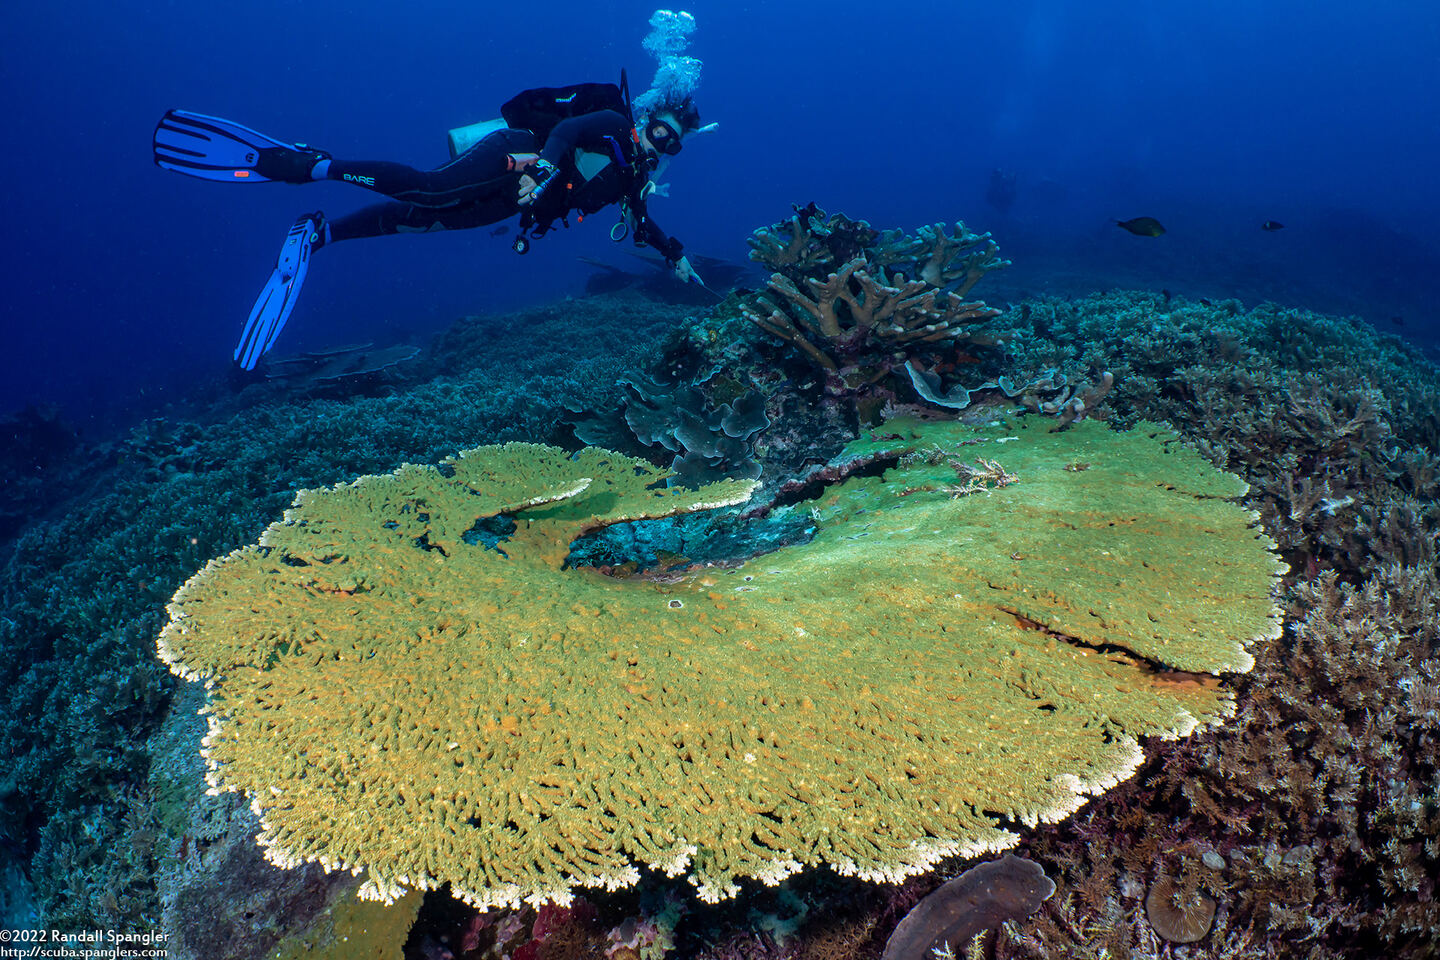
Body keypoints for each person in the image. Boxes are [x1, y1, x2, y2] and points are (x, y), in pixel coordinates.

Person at [154, 81, 706, 369]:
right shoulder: (613, 123)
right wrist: (541, 166)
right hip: (516, 156)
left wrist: (674, 254)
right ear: (647, 119)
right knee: (429, 189)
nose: (663, 145)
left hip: (516, 202)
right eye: (661, 132)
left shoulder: (634, 178)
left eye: (674, 144)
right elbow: (566, 134)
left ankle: (321, 234)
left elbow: (641, 224)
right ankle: (311, 165)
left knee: (427, 222)